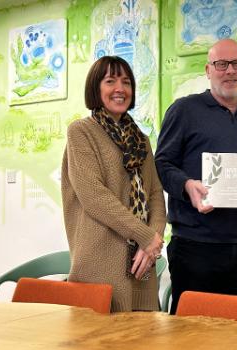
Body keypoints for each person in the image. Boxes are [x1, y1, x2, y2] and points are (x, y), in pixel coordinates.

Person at [155, 39, 237, 314]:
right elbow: (162, 163)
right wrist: (186, 185)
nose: (230, 70)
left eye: (236, 63)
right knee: (190, 334)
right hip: (193, 245)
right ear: (208, 70)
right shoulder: (184, 110)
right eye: (221, 64)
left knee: (234, 331)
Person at [61, 56, 165, 312]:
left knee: (141, 340)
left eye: (126, 82)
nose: (120, 88)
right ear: (96, 89)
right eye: (110, 81)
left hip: (141, 264)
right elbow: (94, 197)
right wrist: (145, 236)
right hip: (99, 263)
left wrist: (154, 241)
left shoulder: (141, 140)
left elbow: (155, 194)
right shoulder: (81, 132)